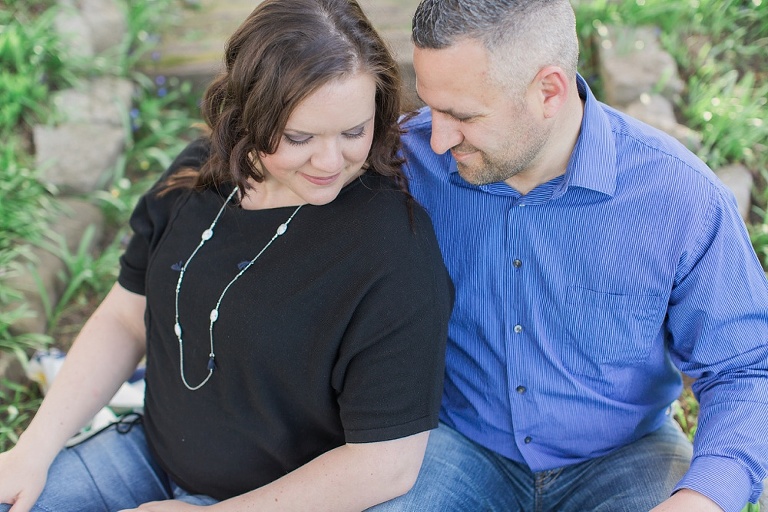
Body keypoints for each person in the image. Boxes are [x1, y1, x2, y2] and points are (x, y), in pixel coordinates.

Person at [0, 0, 454, 510]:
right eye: (299, 137)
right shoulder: (198, 175)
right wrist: (31, 452)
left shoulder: (393, 250)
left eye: (354, 131)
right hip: (147, 459)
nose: (331, 161)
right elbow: (127, 318)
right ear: (248, 113)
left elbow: (384, 465)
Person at [367, 1, 768, 511]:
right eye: (429, 104)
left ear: (549, 91)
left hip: (626, 455)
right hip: (461, 445)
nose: (438, 136)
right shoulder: (409, 163)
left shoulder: (679, 196)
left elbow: (747, 368)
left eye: (462, 115)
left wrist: (703, 498)